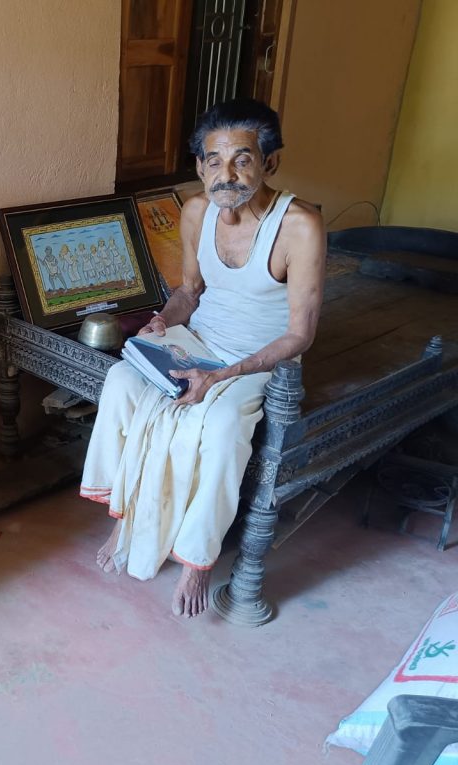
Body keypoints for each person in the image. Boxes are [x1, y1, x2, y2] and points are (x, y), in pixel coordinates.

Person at [80, 98, 325, 618]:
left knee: (215, 423)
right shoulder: (195, 210)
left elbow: (300, 335)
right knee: (124, 379)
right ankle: (127, 519)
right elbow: (189, 292)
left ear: (270, 161)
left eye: (242, 158)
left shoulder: (299, 225)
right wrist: (163, 323)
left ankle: (197, 558)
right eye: (213, 160)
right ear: (199, 166)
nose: (226, 173)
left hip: (259, 358)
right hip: (201, 338)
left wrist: (223, 375)